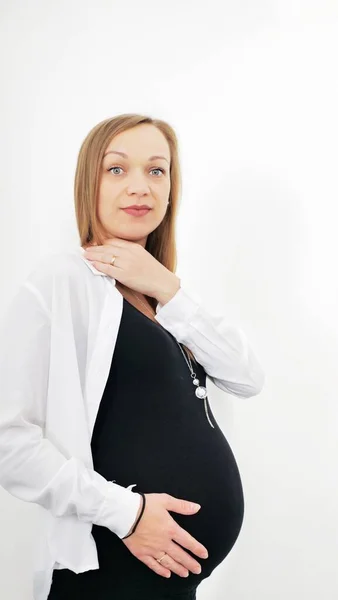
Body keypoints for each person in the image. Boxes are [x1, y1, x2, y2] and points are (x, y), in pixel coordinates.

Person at [0, 114, 265, 600]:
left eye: (156, 171)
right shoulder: (62, 282)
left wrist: (166, 286)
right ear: (89, 184)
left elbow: (247, 377)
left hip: (167, 580)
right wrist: (129, 515)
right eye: (117, 170)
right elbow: (9, 442)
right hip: (112, 574)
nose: (139, 186)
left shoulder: (161, 297)